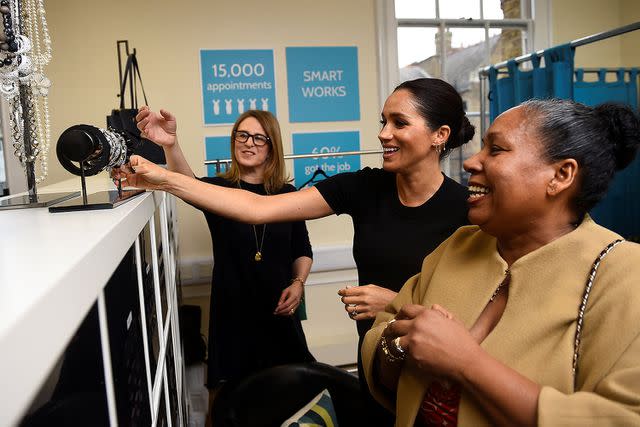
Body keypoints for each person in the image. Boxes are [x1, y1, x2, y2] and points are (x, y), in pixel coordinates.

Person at [118, 78, 475, 425]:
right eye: (383, 122)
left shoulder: (467, 212)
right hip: (376, 363)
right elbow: (257, 208)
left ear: (439, 135)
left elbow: (479, 316)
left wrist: (395, 304)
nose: (383, 133)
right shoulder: (364, 188)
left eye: (399, 123)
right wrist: (165, 177)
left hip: (433, 376)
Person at [361, 98, 640, 426]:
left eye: (495, 150)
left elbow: (620, 418)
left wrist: (467, 363)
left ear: (561, 175)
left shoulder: (623, 275)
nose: (470, 162)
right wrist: (400, 345)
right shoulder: (459, 245)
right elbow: (383, 334)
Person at [135, 107, 315, 388]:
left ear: (272, 147)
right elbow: (187, 185)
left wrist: (299, 282)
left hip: (278, 312)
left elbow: (302, 247)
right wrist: (171, 144)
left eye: (258, 138)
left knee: (289, 393)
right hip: (233, 314)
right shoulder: (219, 189)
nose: (248, 143)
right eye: (242, 135)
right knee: (231, 397)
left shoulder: (287, 194)